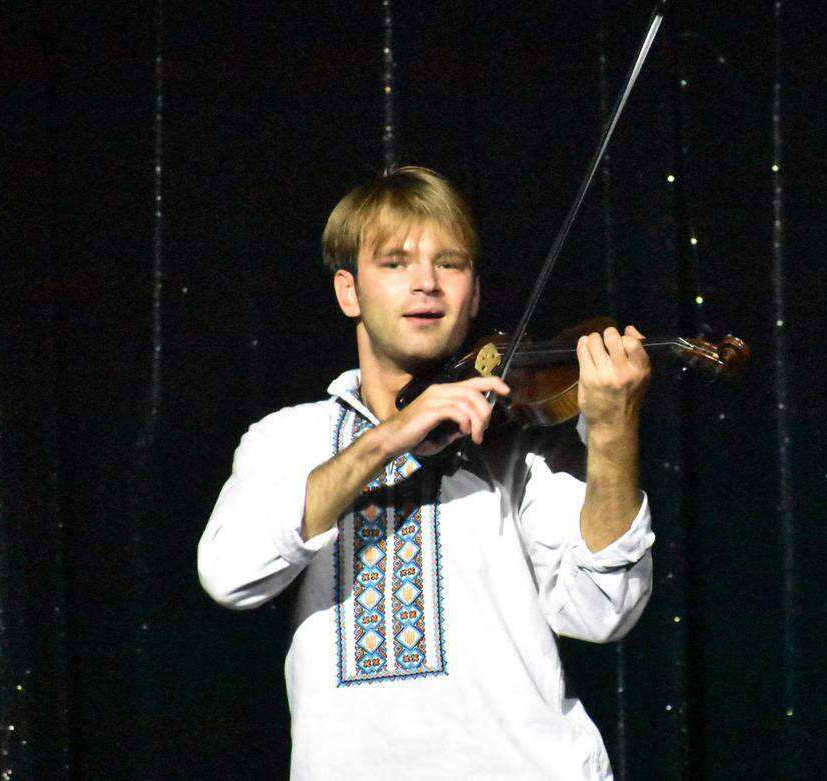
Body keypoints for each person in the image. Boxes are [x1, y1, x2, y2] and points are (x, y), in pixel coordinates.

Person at [198, 166, 655, 780]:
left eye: (450, 263)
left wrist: (611, 434)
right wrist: (390, 437)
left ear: (472, 292)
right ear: (348, 292)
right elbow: (230, 575)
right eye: (394, 264)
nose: (426, 285)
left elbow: (603, 611)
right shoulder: (288, 439)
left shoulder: (520, 437)